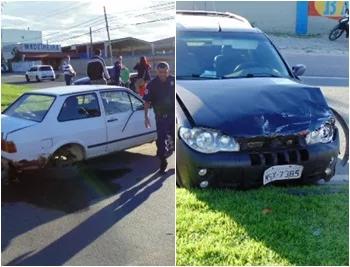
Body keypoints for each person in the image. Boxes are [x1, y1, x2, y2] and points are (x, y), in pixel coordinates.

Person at [143, 61, 175, 173]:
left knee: (178, 140)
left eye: (165, 72)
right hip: (161, 117)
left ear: (168, 71)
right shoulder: (152, 84)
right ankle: (163, 161)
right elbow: (146, 102)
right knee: (161, 141)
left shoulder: (173, 80)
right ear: (157, 72)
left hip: (174, 116)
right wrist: (146, 117)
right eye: (160, 72)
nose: (163, 74)